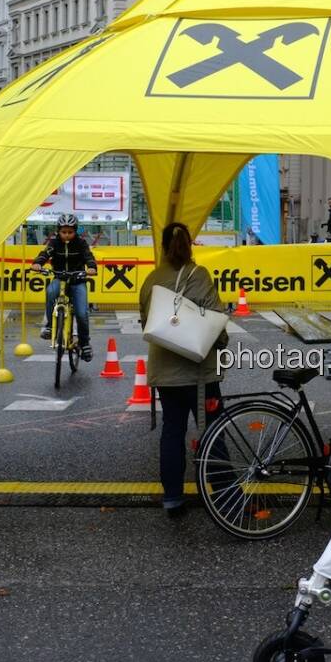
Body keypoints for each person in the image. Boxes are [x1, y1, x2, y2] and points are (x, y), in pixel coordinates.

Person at [139, 221, 228, 519]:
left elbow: (145, 322)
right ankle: (227, 499)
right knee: (213, 430)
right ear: (190, 245)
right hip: (198, 368)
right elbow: (215, 317)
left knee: (172, 431)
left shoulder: (152, 279)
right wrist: (223, 342)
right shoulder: (199, 275)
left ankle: (173, 499)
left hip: (165, 369)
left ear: (163, 247)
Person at [30, 213, 98, 361]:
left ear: (75, 231)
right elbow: (45, 253)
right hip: (59, 278)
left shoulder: (81, 243)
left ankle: (84, 343)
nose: (67, 235)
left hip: (77, 280)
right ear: (58, 231)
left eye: (70, 232)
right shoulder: (54, 243)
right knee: (50, 292)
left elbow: (88, 256)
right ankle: (49, 326)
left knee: (81, 313)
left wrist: (91, 267)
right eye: (63, 232)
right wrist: (38, 263)